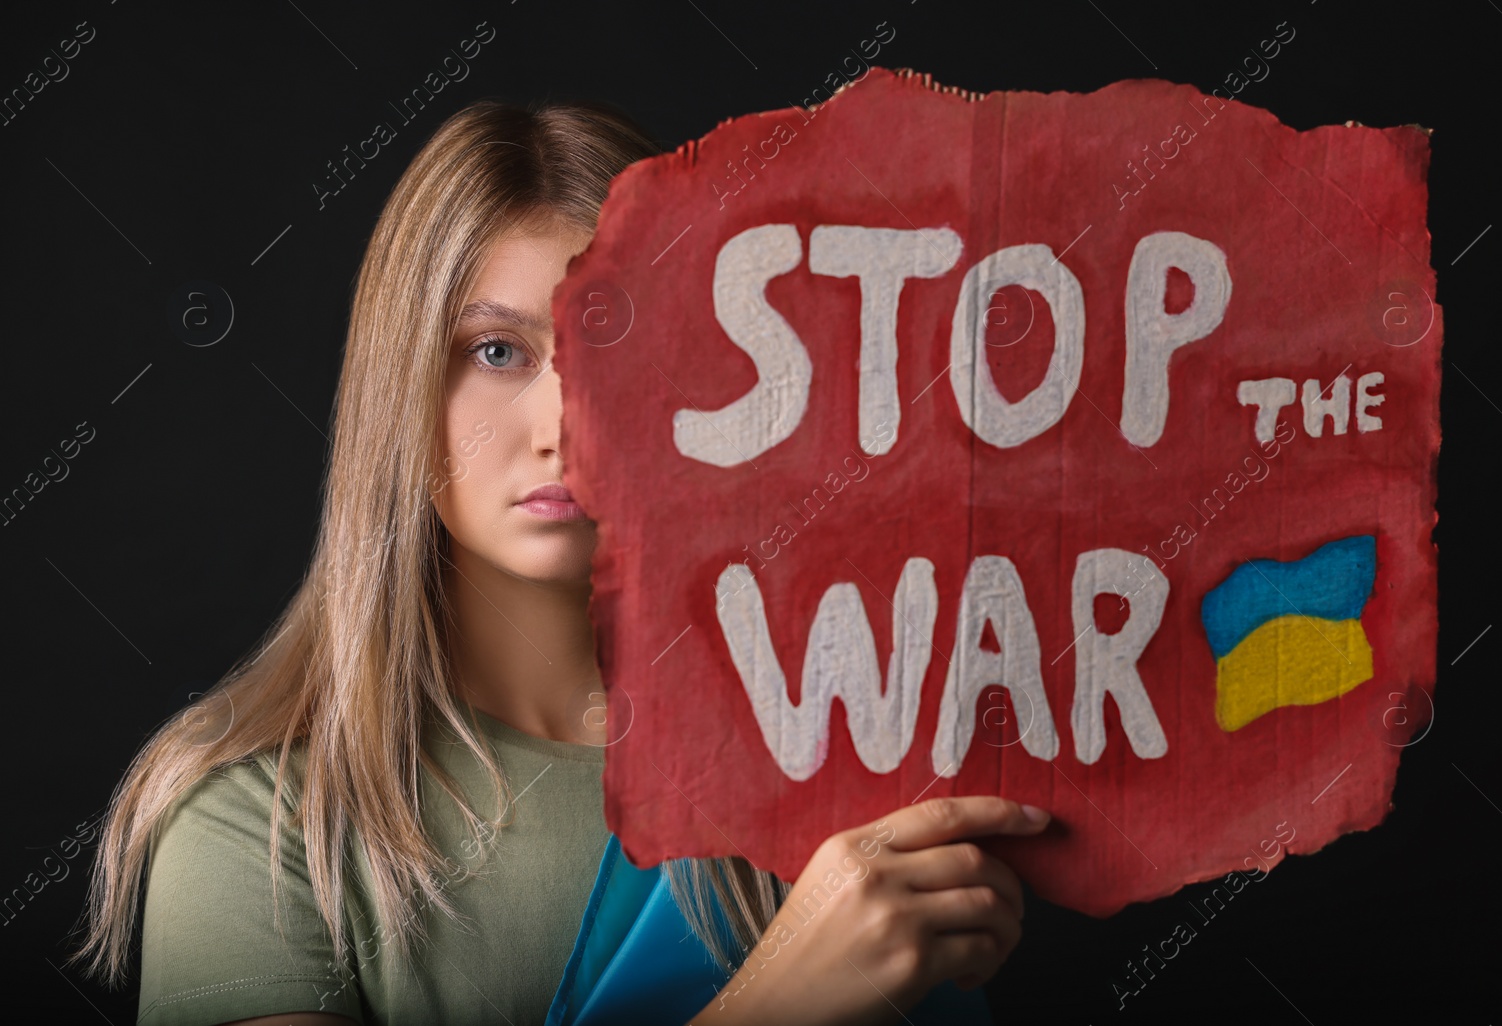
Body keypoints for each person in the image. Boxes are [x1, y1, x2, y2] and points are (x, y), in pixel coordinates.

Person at [69, 97, 1049, 1025]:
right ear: (399, 387)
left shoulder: (853, 769)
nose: (566, 424)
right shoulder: (263, 825)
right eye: (497, 351)